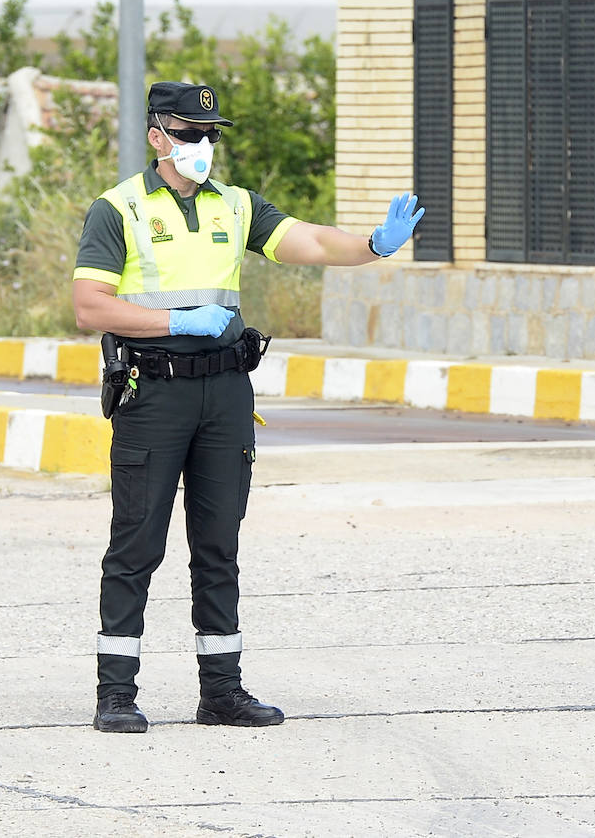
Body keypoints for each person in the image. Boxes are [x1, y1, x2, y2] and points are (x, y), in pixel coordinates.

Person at [72, 81, 424, 733]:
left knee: (218, 544)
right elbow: (90, 306)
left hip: (226, 392)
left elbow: (310, 243)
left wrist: (372, 245)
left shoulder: (235, 207)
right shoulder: (116, 209)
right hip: (154, 392)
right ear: (157, 137)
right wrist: (178, 318)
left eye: (210, 134)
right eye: (188, 132)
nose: (202, 145)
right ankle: (115, 693)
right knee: (137, 542)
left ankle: (222, 692)